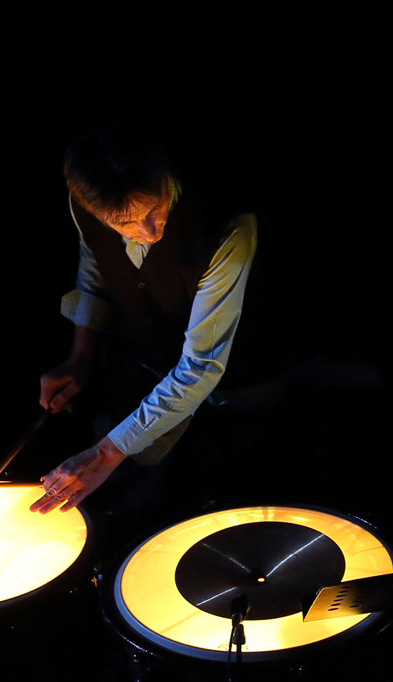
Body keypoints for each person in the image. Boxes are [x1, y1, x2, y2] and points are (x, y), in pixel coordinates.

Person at [31, 127, 257, 514]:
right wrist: (80, 357)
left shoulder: (228, 226)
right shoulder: (87, 205)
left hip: (241, 370)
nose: (149, 232)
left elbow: (201, 365)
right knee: (135, 496)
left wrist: (104, 454)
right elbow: (94, 268)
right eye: (126, 224)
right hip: (146, 355)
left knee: (225, 487)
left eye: (155, 208)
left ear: (162, 175)